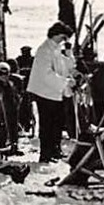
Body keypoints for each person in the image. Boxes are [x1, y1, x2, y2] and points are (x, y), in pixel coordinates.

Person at [27, 23, 75, 162]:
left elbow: (66, 66)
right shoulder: (44, 50)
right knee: (47, 124)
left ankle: (55, 150)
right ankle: (46, 154)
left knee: (57, 123)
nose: (63, 41)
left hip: (55, 93)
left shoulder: (56, 49)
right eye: (63, 37)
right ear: (56, 34)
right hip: (45, 92)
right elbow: (45, 74)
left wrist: (69, 54)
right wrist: (64, 82)